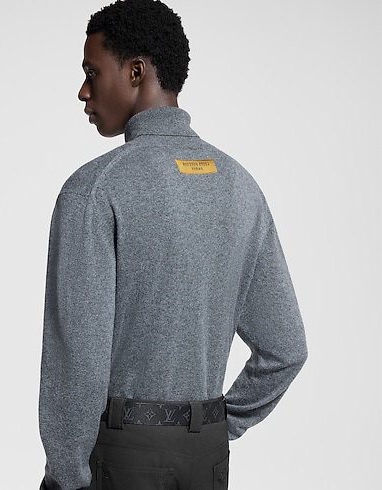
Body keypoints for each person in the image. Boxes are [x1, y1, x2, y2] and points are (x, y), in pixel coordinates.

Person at [38, 0, 308, 489]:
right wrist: (217, 426)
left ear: (136, 71)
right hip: (206, 458)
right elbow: (286, 349)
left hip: (120, 459)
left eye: (91, 72)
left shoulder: (95, 189)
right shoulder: (240, 186)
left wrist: (66, 477)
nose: (83, 91)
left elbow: (77, 358)